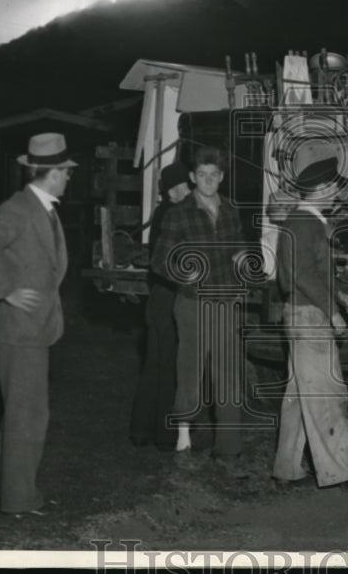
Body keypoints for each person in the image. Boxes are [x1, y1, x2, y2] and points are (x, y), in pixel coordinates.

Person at [272, 156, 348, 497]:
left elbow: (310, 270)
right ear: (321, 189)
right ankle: (343, 471)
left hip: (303, 312)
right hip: (309, 317)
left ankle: (288, 468)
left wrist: (338, 295)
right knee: (328, 395)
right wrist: (330, 310)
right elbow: (298, 274)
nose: (339, 192)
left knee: (299, 396)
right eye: (335, 186)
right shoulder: (303, 223)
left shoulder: (306, 221)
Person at [0, 132, 76, 516]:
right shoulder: (19, 208)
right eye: (66, 172)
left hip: (32, 328)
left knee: (22, 411)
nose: (68, 178)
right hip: (19, 329)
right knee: (29, 415)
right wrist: (7, 289)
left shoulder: (44, 207)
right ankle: (17, 501)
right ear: (53, 172)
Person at [149, 146, 246, 464]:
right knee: (190, 372)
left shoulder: (231, 210)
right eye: (202, 175)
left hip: (226, 302)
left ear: (222, 177)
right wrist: (183, 271)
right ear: (193, 177)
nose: (208, 181)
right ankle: (183, 440)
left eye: (214, 175)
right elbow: (160, 259)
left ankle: (228, 448)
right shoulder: (179, 213)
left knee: (228, 376)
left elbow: (238, 248)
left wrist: (242, 260)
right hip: (191, 304)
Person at [129, 161, 191, 449]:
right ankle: (166, 436)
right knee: (168, 364)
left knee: (154, 362)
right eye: (184, 185)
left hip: (158, 297)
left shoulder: (162, 212)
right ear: (173, 188)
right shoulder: (174, 214)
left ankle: (141, 430)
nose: (188, 190)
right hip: (169, 297)